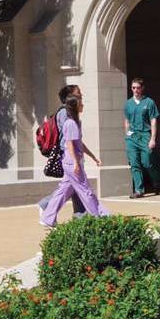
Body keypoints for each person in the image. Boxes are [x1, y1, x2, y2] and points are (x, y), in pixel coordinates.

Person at [40, 95, 109, 228]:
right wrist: (77, 163)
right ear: (75, 107)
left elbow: (79, 144)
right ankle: (99, 217)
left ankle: (47, 218)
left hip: (71, 163)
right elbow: (70, 145)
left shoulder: (76, 122)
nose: (82, 105)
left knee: (63, 191)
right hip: (72, 164)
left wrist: (93, 156)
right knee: (86, 191)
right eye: (80, 103)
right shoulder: (71, 123)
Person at [38, 85, 85, 218]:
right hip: (69, 156)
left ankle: (80, 215)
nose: (81, 94)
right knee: (72, 185)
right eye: (78, 92)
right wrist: (75, 158)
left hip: (72, 154)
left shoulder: (69, 111)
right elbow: (68, 138)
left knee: (73, 186)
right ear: (70, 95)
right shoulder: (65, 113)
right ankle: (47, 205)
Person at [124, 77, 160, 198]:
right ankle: (139, 190)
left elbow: (153, 121)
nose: (135, 90)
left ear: (142, 88)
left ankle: (157, 182)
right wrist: (127, 134)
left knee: (147, 162)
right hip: (132, 137)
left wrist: (152, 138)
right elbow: (127, 121)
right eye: (133, 88)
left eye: (138, 88)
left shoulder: (149, 102)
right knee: (134, 163)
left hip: (145, 135)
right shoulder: (128, 103)